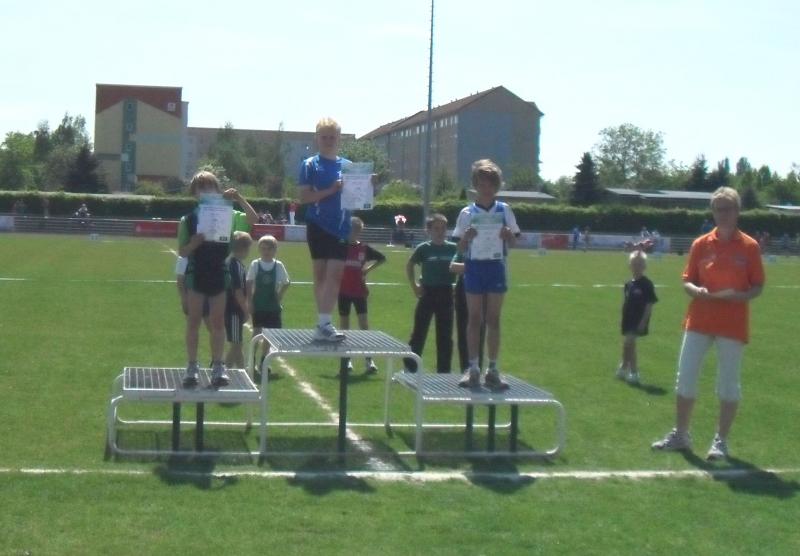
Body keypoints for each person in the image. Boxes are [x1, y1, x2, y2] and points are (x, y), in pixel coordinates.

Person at [652, 187, 765, 461]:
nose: (723, 214)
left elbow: (758, 286)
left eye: (728, 209)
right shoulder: (700, 244)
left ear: (737, 211)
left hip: (732, 323)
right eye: (718, 209)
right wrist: (697, 290)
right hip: (699, 320)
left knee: (728, 384)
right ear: (713, 212)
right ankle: (681, 434)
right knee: (685, 378)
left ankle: (720, 441)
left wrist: (739, 296)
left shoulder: (750, 246)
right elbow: (687, 280)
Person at [178, 171, 258, 387]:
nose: (206, 191)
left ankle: (218, 366)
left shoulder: (228, 214)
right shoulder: (188, 219)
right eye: (201, 188)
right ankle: (192, 366)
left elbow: (253, 220)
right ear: (195, 193)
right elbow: (182, 252)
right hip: (196, 275)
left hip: (219, 275)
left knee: (217, 322)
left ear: (217, 190)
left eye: (210, 187)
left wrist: (239, 198)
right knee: (194, 321)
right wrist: (193, 244)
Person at [453, 160, 520, 389]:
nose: (486, 189)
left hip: (495, 266)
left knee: (494, 319)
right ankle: (472, 368)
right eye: (482, 184)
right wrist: (466, 238)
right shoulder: (466, 213)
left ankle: (492, 369)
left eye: (490, 184)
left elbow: (514, 242)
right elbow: (459, 247)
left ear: (496, 186)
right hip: (474, 267)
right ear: (475, 185)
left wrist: (508, 236)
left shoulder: (504, 210)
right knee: (474, 318)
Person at [297, 117, 353, 342]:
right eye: (324, 137)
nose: (329, 141)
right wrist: (331, 190)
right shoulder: (310, 164)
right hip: (318, 225)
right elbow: (304, 197)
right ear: (317, 139)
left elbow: (359, 198)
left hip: (341, 227)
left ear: (339, 138)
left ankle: (325, 323)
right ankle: (322, 323)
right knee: (320, 276)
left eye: (332, 137)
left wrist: (369, 186)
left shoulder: (349, 166)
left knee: (335, 274)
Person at [403, 213, 457, 373]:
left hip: (446, 293)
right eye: (436, 228)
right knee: (419, 332)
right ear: (429, 230)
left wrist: (457, 286)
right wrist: (414, 285)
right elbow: (410, 265)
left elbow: (464, 267)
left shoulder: (453, 248)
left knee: (445, 335)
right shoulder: (424, 248)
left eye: (443, 228)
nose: (440, 232)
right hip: (428, 292)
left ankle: (444, 372)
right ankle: (410, 367)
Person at [338, 216, 386, 375]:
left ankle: (369, 360)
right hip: (343, 292)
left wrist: (367, 270)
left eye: (358, 230)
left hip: (359, 291)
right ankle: (347, 360)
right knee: (344, 327)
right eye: (352, 229)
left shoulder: (364, 248)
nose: (354, 233)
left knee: (364, 326)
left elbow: (382, 259)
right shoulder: (340, 246)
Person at [246, 234, 291, 377]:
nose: (266, 252)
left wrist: (280, 295)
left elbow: (286, 282)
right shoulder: (255, 264)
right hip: (259, 305)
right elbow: (249, 282)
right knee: (257, 332)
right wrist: (249, 301)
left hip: (273, 306)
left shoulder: (278, 265)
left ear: (275, 250)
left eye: (269, 249)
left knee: (269, 335)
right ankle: (251, 361)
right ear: (259, 249)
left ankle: (264, 361)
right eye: (263, 248)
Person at [616, 250, 658, 385]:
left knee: (630, 343)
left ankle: (634, 372)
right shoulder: (628, 284)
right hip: (628, 319)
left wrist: (643, 322)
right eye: (634, 264)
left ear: (644, 266)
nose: (637, 267)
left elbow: (649, 304)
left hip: (638, 320)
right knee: (627, 345)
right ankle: (624, 367)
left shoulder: (647, 284)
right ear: (630, 265)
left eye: (640, 264)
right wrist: (621, 318)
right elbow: (625, 302)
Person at [224, 231, 254, 370]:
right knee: (236, 344)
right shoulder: (235, 265)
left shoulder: (233, 263)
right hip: (234, 310)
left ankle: (242, 371)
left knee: (238, 343)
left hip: (230, 308)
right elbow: (238, 291)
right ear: (244, 248)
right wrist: (245, 309)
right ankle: (224, 371)